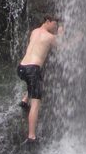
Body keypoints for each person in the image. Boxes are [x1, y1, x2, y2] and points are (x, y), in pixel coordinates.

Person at [17, 15, 61, 146]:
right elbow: (64, 47)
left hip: (21, 68)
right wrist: (61, 34)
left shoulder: (34, 31)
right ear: (47, 21)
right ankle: (31, 137)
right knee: (36, 104)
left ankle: (24, 99)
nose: (55, 27)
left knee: (33, 81)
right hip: (32, 70)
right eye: (54, 25)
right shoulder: (50, 37)